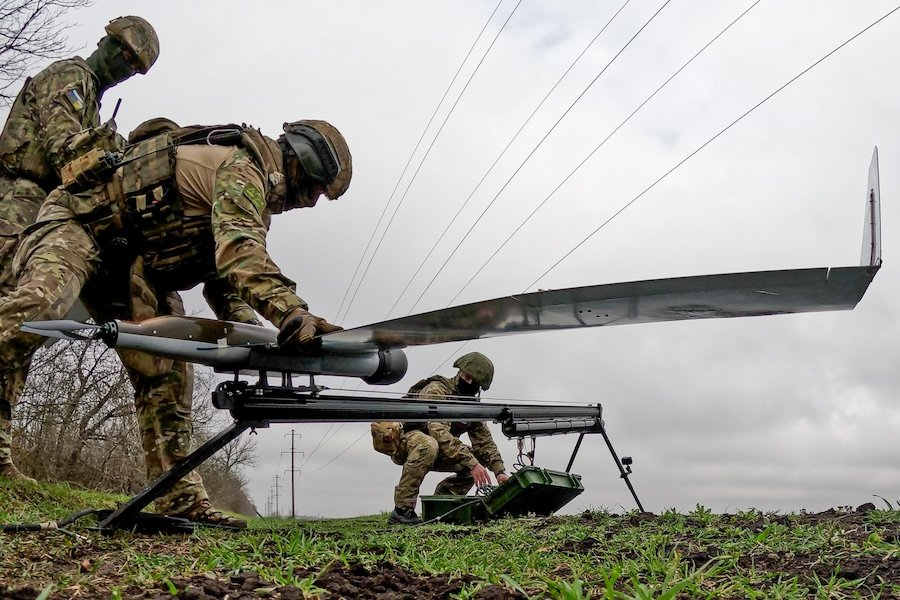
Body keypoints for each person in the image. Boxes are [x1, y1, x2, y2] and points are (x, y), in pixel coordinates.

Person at [0, 118, 350, 526]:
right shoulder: (243, 169)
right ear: (298, 163)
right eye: (315, 189)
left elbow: (225, 284)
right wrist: (292, 310)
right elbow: (239, 253)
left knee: (165, 366)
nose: (311, 202)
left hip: (131, 260)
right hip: (79, 222)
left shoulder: (251, 196)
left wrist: (263, 342)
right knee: (42, 304)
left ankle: (176, 495)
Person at [0, 16, 159, 482]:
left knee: (22, 326)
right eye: (126, 53)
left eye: (136, 65)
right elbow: (62, 151)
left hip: (45, 204)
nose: (127, 66)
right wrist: (105, 154)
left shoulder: (90, 100)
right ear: (106, 42)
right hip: (20, 200)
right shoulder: (71, 78)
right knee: (21, 309)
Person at [389, 352, 510, 525]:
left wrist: (500, 472)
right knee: (429, 445)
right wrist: (472, 463)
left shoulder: (470, 404)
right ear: (463, 374)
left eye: (476, 383)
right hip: (408, 443)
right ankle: (402, 510)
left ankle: (442, 505)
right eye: (468, 378)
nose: (470, 383)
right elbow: (438, 431)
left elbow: (484, 441)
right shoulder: (437, 390)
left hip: (438, 449)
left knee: (475, 462)